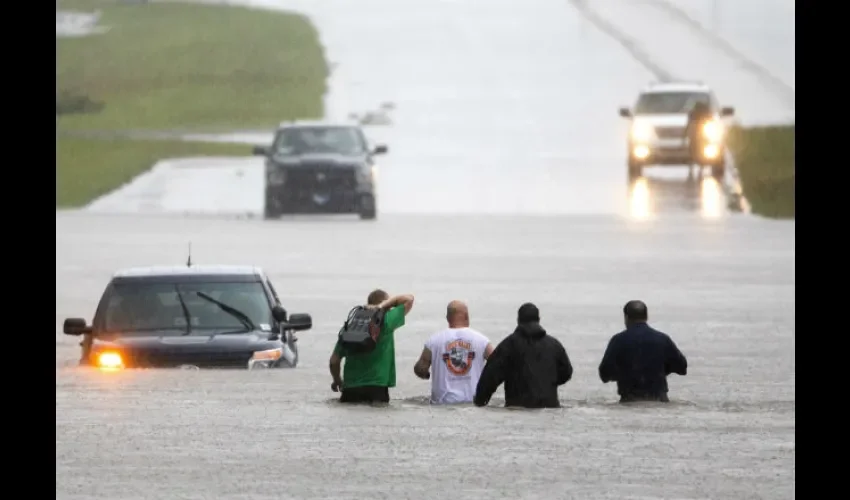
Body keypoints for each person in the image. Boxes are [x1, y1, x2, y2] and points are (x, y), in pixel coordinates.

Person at [473, 303, 573, 408]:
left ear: (518, 320)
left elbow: (490, 376)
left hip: (517, 408)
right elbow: (567, 372)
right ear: (539, 319)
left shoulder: (508, 345)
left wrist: (480, 401)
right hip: (550, 407)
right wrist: (548, 381)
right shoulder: (555, 345)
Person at [328, 289, 415, 404]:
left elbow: (334, 361)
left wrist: (337, 381)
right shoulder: (387, 320)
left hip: (350, 390)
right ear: (384, 303)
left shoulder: (351, 326)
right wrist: (384, 305)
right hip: (377, 388)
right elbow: (409, 299)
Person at [598, 300, 688, 403]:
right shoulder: (662, 339)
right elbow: (682, 368)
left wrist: (623, 373)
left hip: (630, 402)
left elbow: (604, 374)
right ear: (646, 316)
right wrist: (661, 370)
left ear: (626, 317)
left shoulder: (618, 340)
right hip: (660, 402)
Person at [413, 300, 494, 404]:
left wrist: (426, 375)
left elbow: (420, 369)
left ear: (447, 318)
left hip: (442, 404)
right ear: (467, 316)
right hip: (473, 402)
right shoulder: (482, 340)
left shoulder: (433, 341)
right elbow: (499, 364)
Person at [685, 101, 713, 168]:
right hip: (695, 136)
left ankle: (698, 167)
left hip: (699, 136)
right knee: (693, 152)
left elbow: (688, 126)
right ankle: (695, 167)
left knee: (697, 152)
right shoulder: (692, 114)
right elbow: (688, 125)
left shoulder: (705, 114)